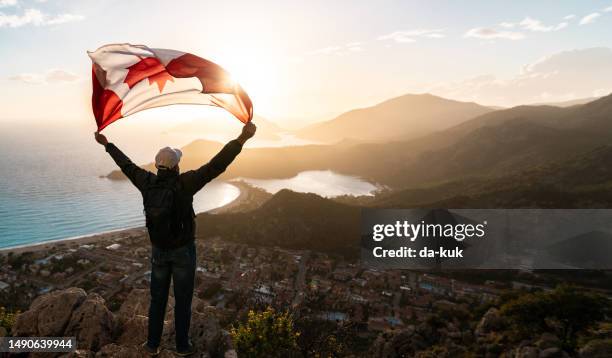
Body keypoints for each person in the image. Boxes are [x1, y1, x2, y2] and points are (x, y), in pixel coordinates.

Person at [94, 122, 256, 356]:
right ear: (176, 166)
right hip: (183, 251)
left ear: (158, 166)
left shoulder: (146, 182)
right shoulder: (185, 183)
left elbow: (126, 165)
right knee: (182, 301)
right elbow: (216, 165)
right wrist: (242, 139)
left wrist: (108, 144)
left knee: (157, 299)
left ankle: (151, 345)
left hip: (159, 251)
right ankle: (182, 346)